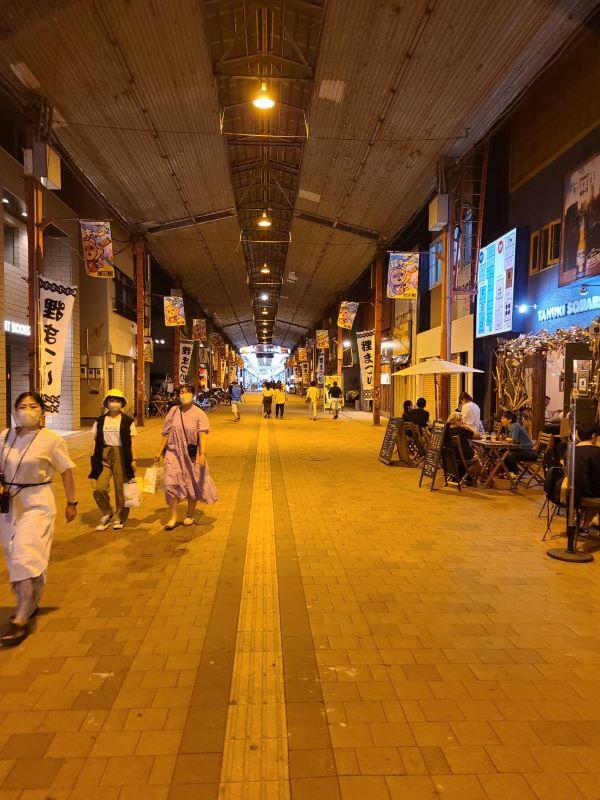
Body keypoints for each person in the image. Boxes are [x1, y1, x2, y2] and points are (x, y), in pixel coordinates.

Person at [0, 392, 77, 646]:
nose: (27, 411)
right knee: (15, 555)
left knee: (24, 553)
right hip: (9, 504)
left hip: (37, 502)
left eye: (33, 406)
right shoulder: (5, 437)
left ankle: (20, 618)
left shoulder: (51, 440)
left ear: (42, 411)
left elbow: (66, 471)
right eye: (22, 406)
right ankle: (31, 602)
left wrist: (72, 502)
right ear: (14, 410)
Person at [155, 384, 217, 530]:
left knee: (192, 483)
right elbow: (166, 433)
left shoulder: (199, 414)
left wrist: (202, 454)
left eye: (187, 392)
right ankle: (173, 517)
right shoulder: (173, 411)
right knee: (170, 484)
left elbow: (202, 435)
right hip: (173, 452)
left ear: (193, 395)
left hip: (191, 455)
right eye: (181, 392)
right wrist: (159, 451)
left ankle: (189, 515)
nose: (184, 395)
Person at [90, 389, 137, 531]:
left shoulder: (128, 421)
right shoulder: (99, 421)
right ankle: (108, 512)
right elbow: (94, 440)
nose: (114, 403)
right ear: (106, 403)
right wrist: (93, 458)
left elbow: (132, 442)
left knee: (120, 487)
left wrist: (134, 459)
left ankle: (120, 517)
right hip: (103, 454)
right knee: (99, 487)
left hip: (121, 454)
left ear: (122, 403)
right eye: (112, 400)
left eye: (117, 401)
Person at [573, 423, 600, 528]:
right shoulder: (596, 452)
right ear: (593, 436)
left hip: (573, 492)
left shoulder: (571, 450)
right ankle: (587, 524)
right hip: (589, 493)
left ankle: (584, 524)